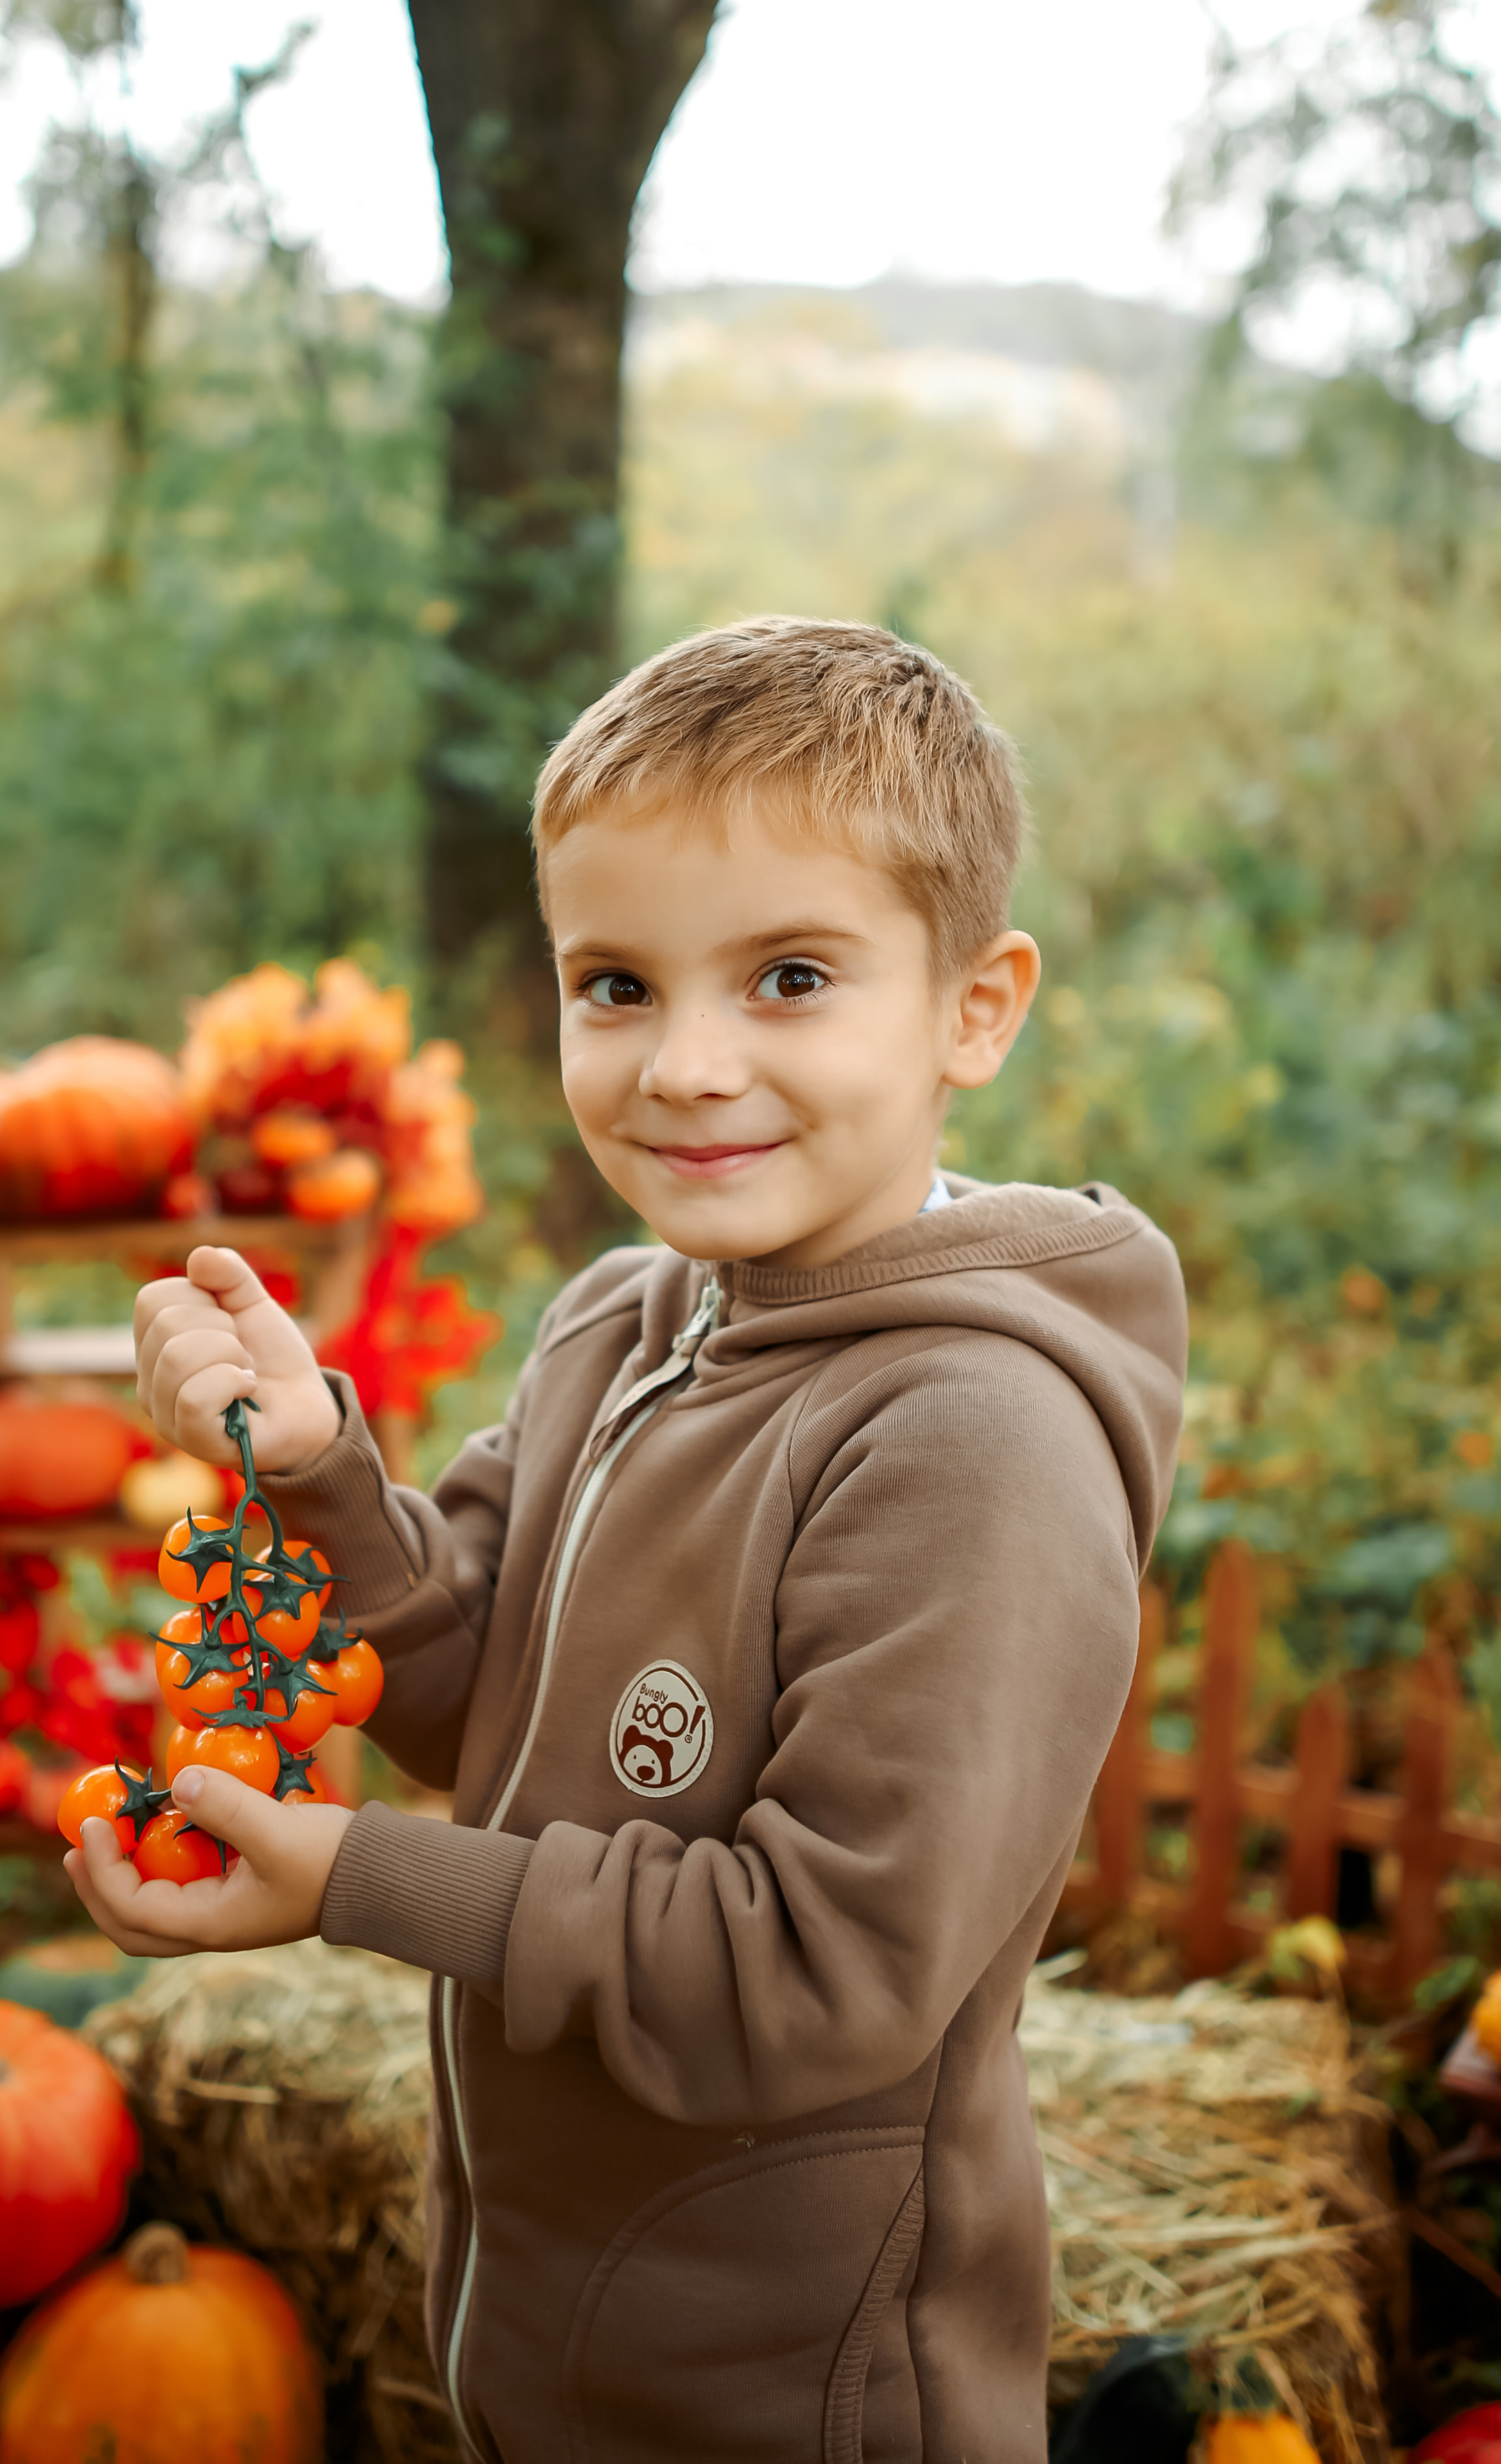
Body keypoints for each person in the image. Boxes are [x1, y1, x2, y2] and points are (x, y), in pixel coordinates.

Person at [72, 617, 1187, 2463]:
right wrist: (319, 1472)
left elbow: (810, 1971)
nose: (682, 1065)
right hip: (561, 2354)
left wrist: (354, 1882)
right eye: (616, 986)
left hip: (801, 2401)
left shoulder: (976, 1441)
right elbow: (465, 1704)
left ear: (974, 1008)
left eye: (792, 977)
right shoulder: (622, 1315)